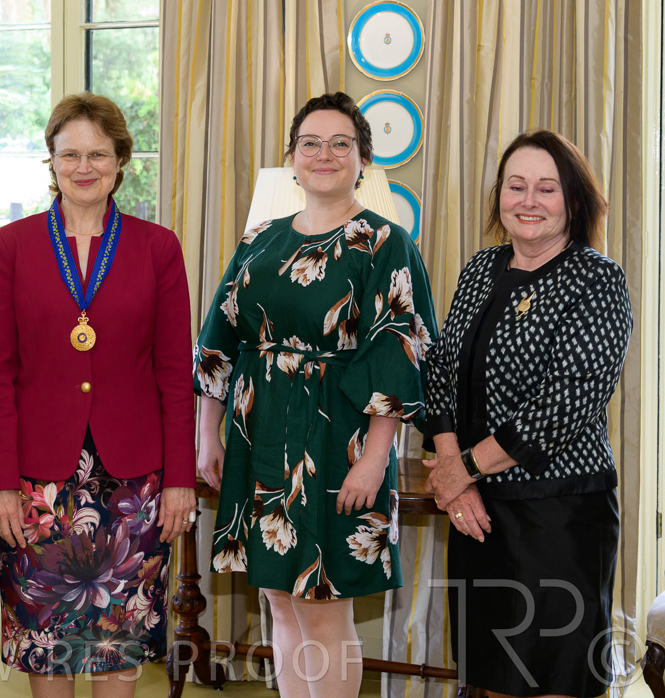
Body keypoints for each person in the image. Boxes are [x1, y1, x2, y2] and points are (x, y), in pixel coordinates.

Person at [194, 92, 437, 697]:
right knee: (279, 598)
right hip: (259, 434)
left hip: (340, 441)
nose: (323, 154)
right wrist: (207, 434)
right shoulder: (260, 240)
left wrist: (375, 459)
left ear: (363, 160)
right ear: (293, 158)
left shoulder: (385, 242)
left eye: (339, 144)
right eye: (310, 143)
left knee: (323, 604)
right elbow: (220, 339)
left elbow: (398, 357)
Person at [0, 92, 196, 696]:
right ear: (50, 160)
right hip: (36, 485)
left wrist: (180, 479)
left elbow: (175, 373)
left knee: (116, 642)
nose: (83, 167)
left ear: (120, 160)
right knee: (47, 647)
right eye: (69, 154)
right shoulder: (10, 246)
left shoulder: (158, 247)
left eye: (97, 154)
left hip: (135, 485)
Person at [422, 130, 632, 698]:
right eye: (516, 186)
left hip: (560, 517)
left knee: (552, 680)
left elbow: (563, 404)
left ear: (574, 201)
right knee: (489, 678)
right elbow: (440, 370)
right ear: (500, 198)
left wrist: (462, 468)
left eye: (547, 188)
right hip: (479, 514)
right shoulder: (480, 269)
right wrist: (454, 470)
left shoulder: (597, 279)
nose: (529, 201)